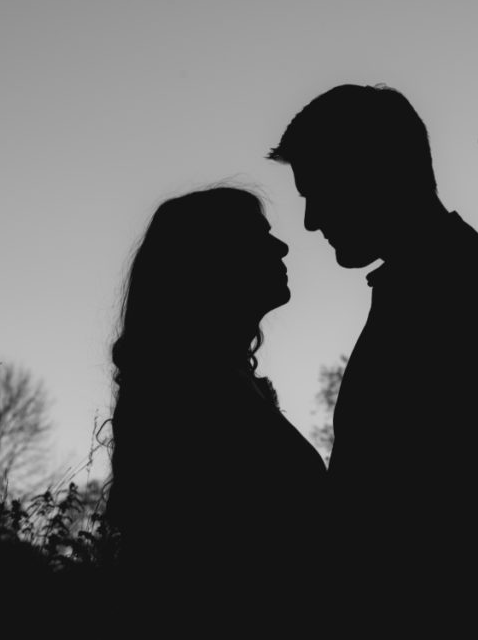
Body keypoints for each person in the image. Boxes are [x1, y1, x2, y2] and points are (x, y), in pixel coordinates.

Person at [267, 85, 478, 579]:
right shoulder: (432, 276)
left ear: (369, 174)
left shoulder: (447, 288)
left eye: (317, 193)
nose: (311, 222)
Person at [104, 187, 327, 594]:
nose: (282, 247)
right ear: (213, 262)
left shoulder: (227, 386)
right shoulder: (191, 401)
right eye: (259, 237)